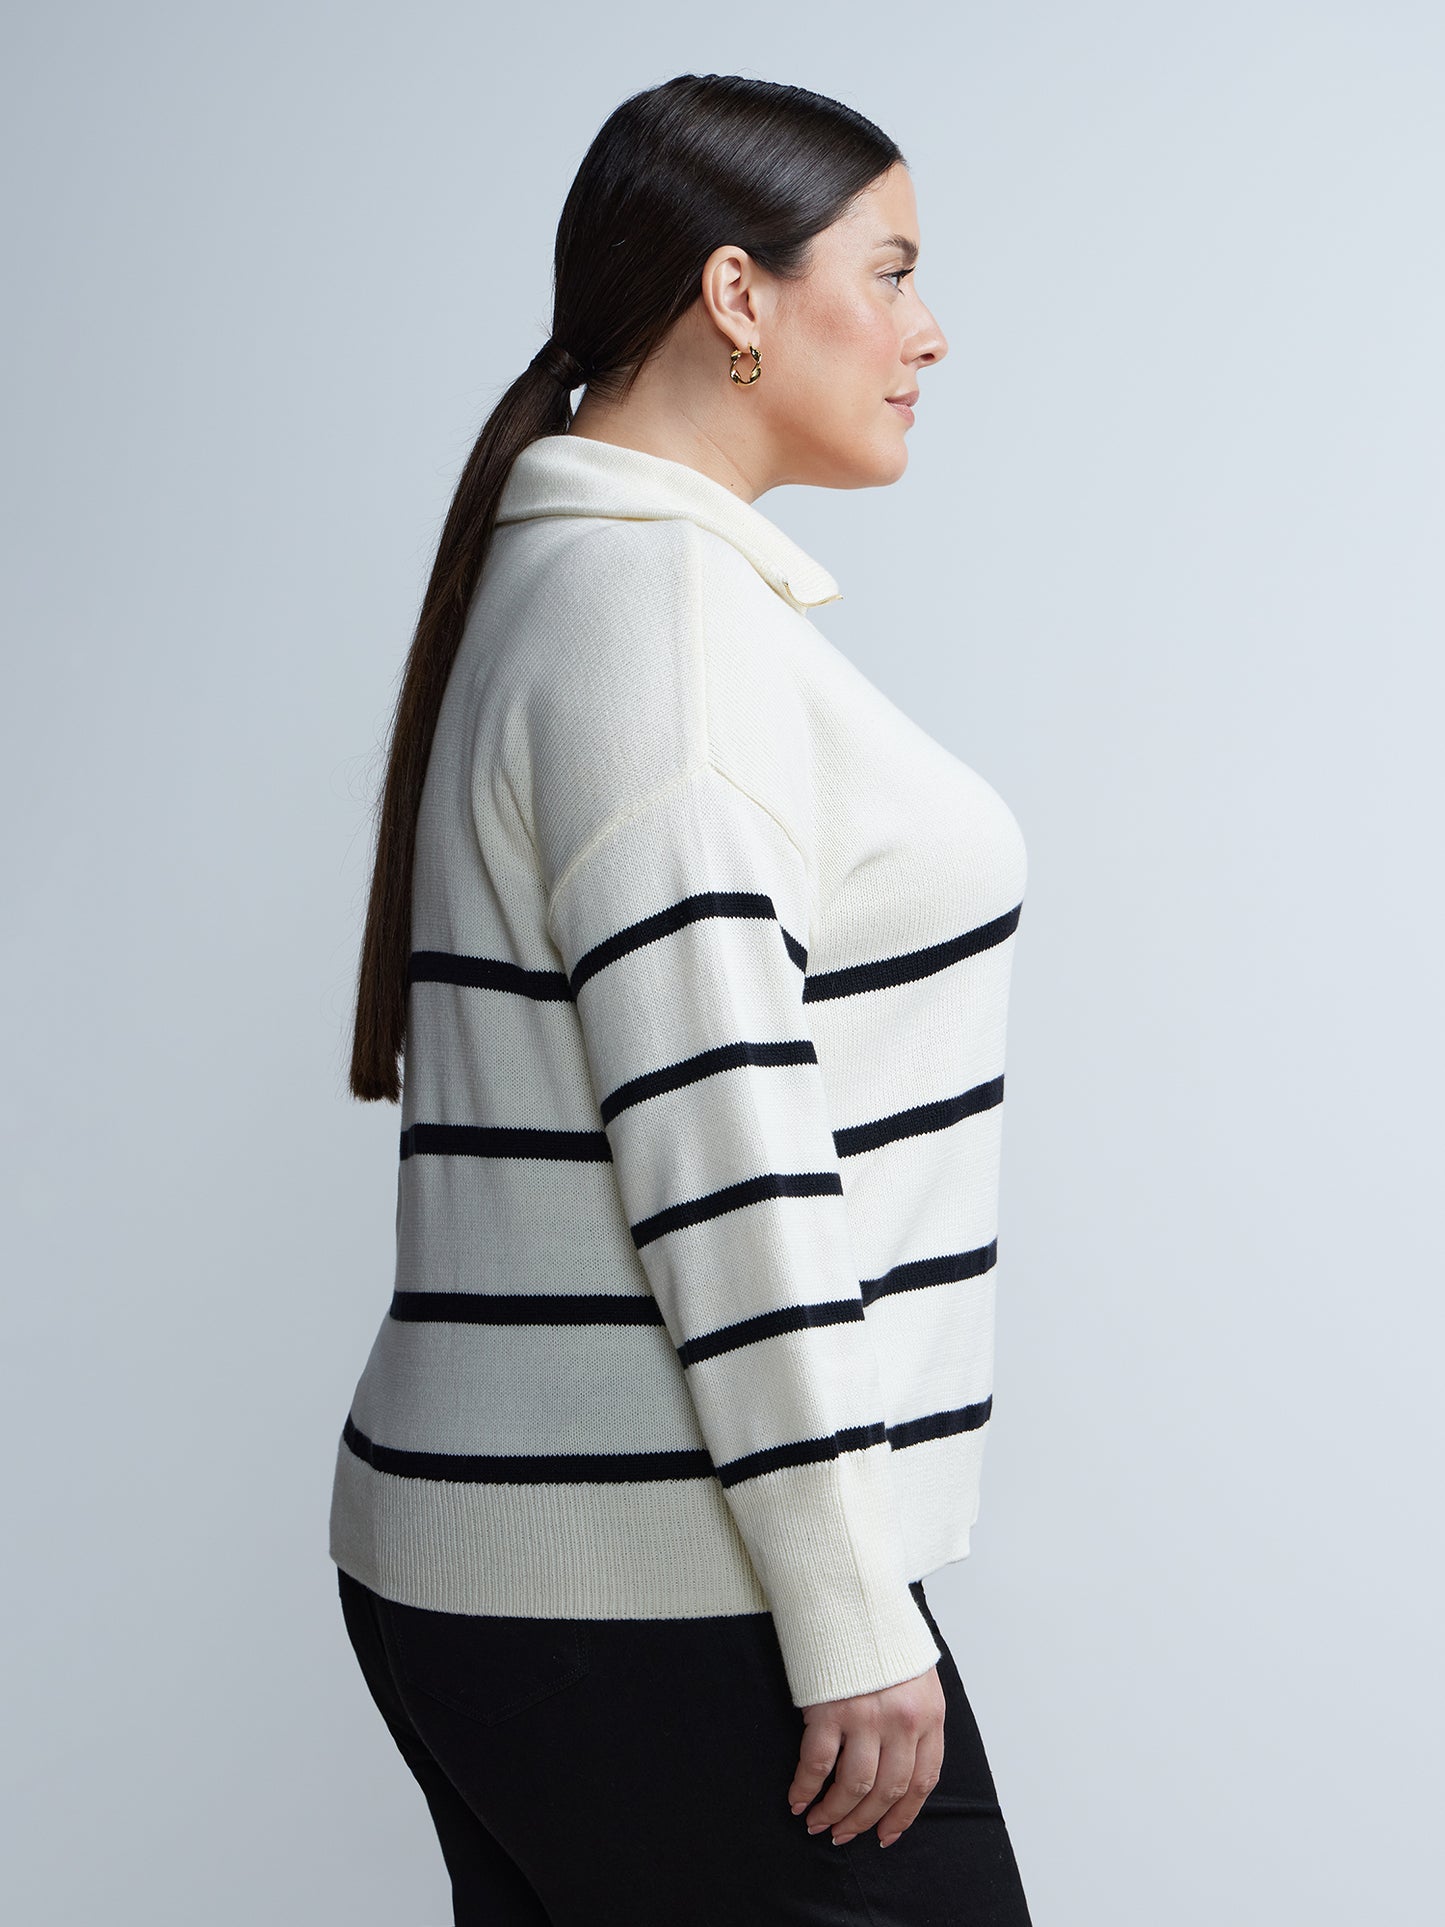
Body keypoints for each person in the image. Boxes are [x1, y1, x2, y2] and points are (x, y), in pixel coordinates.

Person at [330, 71, 1035, 1926]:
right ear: (737, 295)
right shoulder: (660, 625)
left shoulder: (579, 574)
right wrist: (847, 1610)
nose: (927, 334)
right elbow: (723, 1159)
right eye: (889, 272)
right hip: (665, 1588)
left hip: (538, 1568)